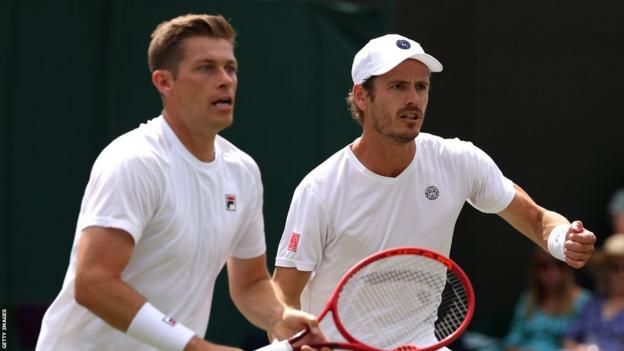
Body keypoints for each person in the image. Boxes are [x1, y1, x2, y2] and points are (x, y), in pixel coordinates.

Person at [271, 33, 597, 348]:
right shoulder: (320, 189)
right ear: (361, 96)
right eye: (397, 87)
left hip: (421, 344)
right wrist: (294, 343)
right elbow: (281, 299)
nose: (413, 99)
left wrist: (561, 239)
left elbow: (537, 219)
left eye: (421, 86)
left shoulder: (458, 161)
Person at [35, 14, 324, 351]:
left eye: (230, 68)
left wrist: (278, 316)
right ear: (164, 82)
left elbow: (251, 282)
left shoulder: (242, 172)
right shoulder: (134, 161)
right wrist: (196, 347)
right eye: (206, 68)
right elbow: (94, 283)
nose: (225, 80)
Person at [503, 248, 590, 351]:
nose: (551, 272)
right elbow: (511, 342)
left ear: (567, 268)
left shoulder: (582, 300)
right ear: (535, 270)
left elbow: (586, 341)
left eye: (558, 265)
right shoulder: (528, 300)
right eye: (543, 266)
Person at [562, 235, 624, 350]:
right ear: (606, 271)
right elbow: (569, 339)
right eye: (615, 268)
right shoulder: (592, 303)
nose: (621, 274)